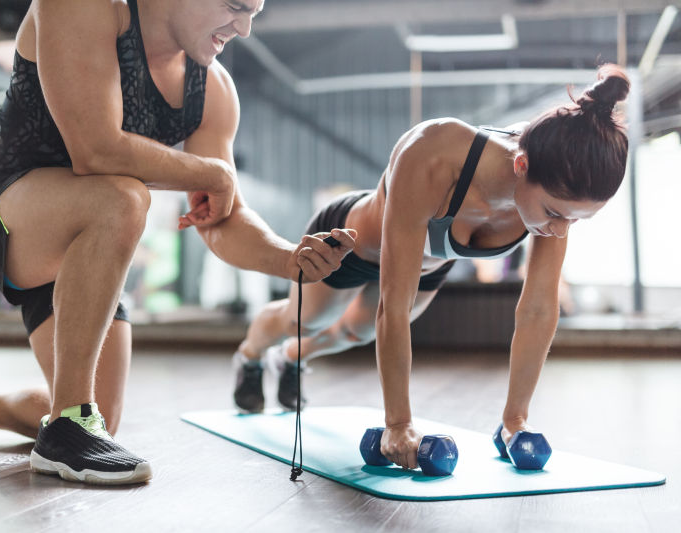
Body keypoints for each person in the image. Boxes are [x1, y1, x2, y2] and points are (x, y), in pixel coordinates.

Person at [0, 0, 356, 485]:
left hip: (87, 242)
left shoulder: (212, 89)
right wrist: (212, 173)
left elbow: (219, 214)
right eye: (236, 6)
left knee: (97, 411)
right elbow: (96, 149)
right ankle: (67, 429)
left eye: (255, 11)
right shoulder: (84, 6)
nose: (246, 28)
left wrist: (290, 258)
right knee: (123, 198)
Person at [233, 65, 630, 470]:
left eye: (576, 220)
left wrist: (515, 420)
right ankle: (249, 356)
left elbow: (538, 308)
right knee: (309, 319)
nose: (561, 229)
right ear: (522, 166)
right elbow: (394, 303)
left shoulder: (560, 176)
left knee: (356, 331)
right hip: (352, 246)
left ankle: (289, 359)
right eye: (554, 213)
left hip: (428, 264)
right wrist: (399, 423)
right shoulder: (435, 152)